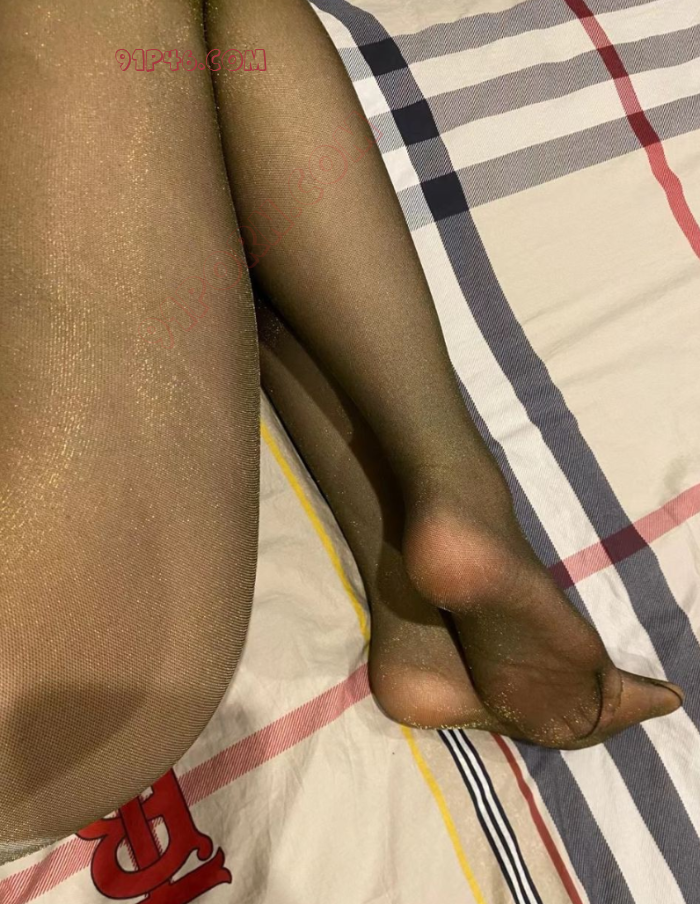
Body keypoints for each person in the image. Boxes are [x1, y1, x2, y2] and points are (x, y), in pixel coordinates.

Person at [0, 0, 683, 864]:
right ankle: (452, 488)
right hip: (51, 653)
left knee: (192, 87)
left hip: (62, 656)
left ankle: (414, 592)